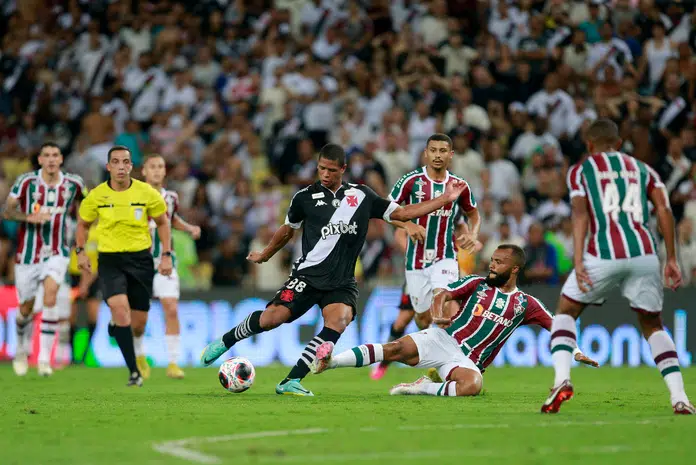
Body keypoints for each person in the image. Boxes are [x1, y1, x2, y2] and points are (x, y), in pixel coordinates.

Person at [201, 143, 471, 396]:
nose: (326, 174)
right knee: (273, 318)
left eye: (332, 170)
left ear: (343, 169)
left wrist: (445, 199)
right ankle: (225, 341)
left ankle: (291, 381)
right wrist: (265, 254)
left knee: (338, 321)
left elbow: (403, 213)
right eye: (322, 168)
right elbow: (287, 231)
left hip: (341, 282)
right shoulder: (304, 197)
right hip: (307, 276)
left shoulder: (362, 195)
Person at [542, 119, 694, 415]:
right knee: (652, 325)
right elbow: (664, 210)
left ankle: (562, 379)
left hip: (603, 254)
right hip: (644, 254)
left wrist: (578, 260)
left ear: (589, 145)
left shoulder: (581, 170)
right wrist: (672, 258)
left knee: (565, 311)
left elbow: (579, 215)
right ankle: (680, 397)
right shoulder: (643, 169)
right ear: (620, 143)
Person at [311, 245, 599, 396]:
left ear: (514, 269)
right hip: (444, 339)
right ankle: (330, 362)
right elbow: (444, 293)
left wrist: (574, 352)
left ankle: (425, 387)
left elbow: (556, 326)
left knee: (473, 385)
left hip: (467, 362)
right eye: (492, 260)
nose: (492, 264)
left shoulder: (526, 304)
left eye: (498, 262)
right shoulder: (478, 283)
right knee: (395, 348)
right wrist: (437, 312)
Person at [370, 133, 481, 380]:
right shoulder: (411, 182)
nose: (438, 155)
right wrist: (408, 226)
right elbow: (386, 211)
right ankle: (431, 358)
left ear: (451, 155)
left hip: (445, 257)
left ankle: (451, 365)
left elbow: (472, 215)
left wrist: (472, 235)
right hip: (416, 263)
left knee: (443, 305)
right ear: (426, 153)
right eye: (434, 150)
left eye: (443, 151)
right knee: (422, 316)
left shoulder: (459, 185)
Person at [76, 146, 172, 387]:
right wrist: (80, 252)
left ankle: (122, 333)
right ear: (108, 166)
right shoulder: (97, 195)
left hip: (141, 260)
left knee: (137, 325)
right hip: (110, 260)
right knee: (120, 310)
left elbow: (162, 222)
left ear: (131, 166)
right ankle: (133, 371)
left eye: (125, 162)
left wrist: (167, 255)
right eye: (115, 162)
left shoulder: (147, 193)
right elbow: (82, 225)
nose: (121, 166)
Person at [3, 142, 86, 377]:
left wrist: (81, 240)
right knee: (25, 309)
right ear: (40, 160)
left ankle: (43, 360)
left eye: (55, 155)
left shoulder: (74, 184)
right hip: (28, 256)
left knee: (51, 296)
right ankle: (21, 348)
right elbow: (7, 211)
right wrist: (29, 216)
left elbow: (88, 208)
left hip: (58, 252)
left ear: (61, 159)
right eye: (46, 155)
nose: (51, 159)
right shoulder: (26, 182)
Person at [138, 154, 201, 380]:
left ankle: (173, 362)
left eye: (160, 167)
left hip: (166, 260)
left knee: (171, 308)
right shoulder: (134, 196)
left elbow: (171, 219)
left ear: (164, 172)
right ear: (144, 171)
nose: (156, 170)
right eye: (152, 167)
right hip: (139, 263)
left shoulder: (171, 197)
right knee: (139, 316)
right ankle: (139, 357)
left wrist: (188, 228)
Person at [68, 221, 101, 364]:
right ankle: (73, 356)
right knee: (72, 317)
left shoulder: (101, 232)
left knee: (93, 316)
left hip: (93, 278)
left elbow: (100, 261)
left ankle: (85, 354)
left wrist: (85, 284)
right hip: (74, 276)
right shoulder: (76, 230)